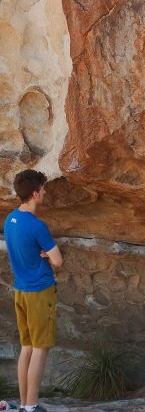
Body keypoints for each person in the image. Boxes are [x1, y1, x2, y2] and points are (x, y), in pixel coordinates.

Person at [4, 170, 64, 412]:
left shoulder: (10, 220)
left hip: (20, 290)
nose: (45, 192)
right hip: (40, 291)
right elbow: (58, 261)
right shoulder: (37, 226)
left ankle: (23, 404)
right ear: (35, 193)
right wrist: (48, 254)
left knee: (26, 347)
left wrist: (42, 252)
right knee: (40, 349)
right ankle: (31, 407)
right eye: (43, 188)